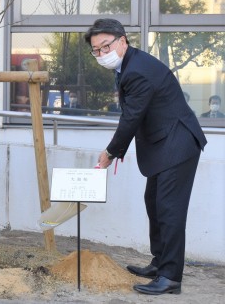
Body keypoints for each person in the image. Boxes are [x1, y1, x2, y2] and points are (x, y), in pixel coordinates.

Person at [85, 19, 207, 295]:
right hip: (163, 142)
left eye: (107, 46)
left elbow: (131, 117)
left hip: (177, 143)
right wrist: (118, 150)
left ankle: (170, 277)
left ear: (122, 40)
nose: (102, 53)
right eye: (97, 50)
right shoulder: (128, 64)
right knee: (153, 201)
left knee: (169, 210)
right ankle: (160, 261)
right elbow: (137, 115)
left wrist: (111, 152)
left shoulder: (137, 71)